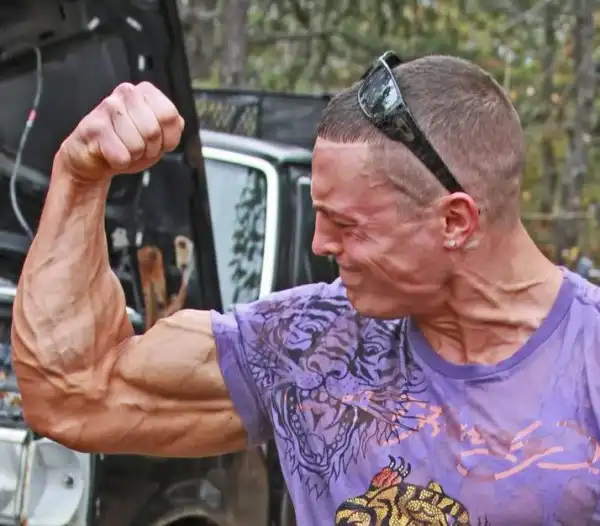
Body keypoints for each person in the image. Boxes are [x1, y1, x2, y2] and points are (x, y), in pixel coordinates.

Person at [11, 53, 600, 525]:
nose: (319, 243)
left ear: (454, 221)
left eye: (345, 224)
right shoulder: (309, 346)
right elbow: (74, 394)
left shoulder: (588, 356)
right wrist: (80, 176)